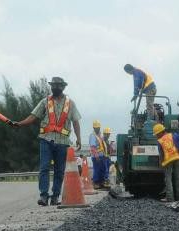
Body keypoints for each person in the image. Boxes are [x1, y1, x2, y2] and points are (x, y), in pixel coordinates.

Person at [9, 77, 82, 206]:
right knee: (44, 168)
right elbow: (33, 116)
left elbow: (75, 121)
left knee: (59, 170)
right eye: (53, 85)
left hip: (62, 142)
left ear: (63, 87)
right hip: (46, 139)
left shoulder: (70, 103)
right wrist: (20, 124)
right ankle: (43, 196)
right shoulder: (45, 102)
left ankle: (55, 196)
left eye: (58, 86)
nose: (55, 88)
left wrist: (79, 139)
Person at [153, 123, 179, 202]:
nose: (156, 136)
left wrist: (161, 163)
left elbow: (161, 154)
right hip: (177, 158)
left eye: (157, 134)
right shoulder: (174, 135)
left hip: (168, 161)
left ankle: (170, 198)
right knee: (178, 178)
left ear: (161, 132)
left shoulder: (160, 141)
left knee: (168, 179)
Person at [89, 121, 108, 189]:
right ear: (94, 128)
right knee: (97, 169)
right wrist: (96, 156)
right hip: (96, 156)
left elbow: (102, 145)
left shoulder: (99, 135)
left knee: (102, 169)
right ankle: (95, 183)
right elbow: (93, 147)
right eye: (96, 128)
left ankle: (101, 182)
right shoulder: (92, 136)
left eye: (98, 128)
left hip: (101, 156)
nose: (98, 129)